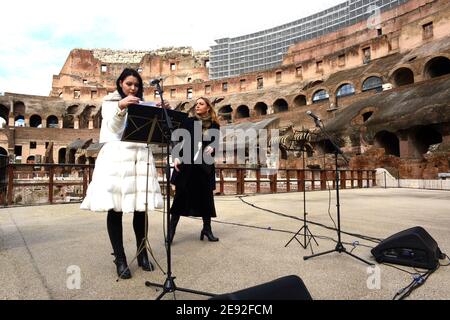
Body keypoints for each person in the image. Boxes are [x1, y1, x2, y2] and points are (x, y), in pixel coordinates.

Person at [81, 68, 163, 279]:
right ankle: (120, 258)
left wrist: (161, 112)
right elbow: (113, 127)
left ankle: (143, 253)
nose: (133, 88)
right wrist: (120, 107)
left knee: (140, 209)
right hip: (117, 157)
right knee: (114, 208)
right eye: (129, 84)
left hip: (138, 157)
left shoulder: (143, 104)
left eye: (136, 85)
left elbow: (152, 131)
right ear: (120, 83)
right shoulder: (110, 103)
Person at [169, 97, 220, 244]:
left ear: (208, 108)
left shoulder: (214, 125)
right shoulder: (189, 122)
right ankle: (171, 232)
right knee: (179, 199)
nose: (197, 106)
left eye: (201, 104)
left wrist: (213, 146)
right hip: (187, 164)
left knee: (206, 199)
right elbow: (178, 139)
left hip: (204, 166)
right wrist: (176, 156)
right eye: (196, 104)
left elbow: (214, 142)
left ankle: (207, 229)